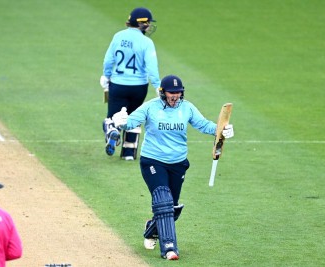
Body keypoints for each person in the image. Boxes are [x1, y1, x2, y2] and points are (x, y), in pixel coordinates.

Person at [111, 75, 234, 260]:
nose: (175, 96)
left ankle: (151, 229)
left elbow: (203, 124)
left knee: (172, 208)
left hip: (178, 163)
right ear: (163, 92)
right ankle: (169, 248)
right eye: (171, 92)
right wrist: (121, 121)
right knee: (163, 200)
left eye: (178, 92)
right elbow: (132, 121)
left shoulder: (187, 108)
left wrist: (220, 130)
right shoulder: (151, 106)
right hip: (153, 160)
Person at [100, 7, 161, 161]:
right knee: (134, 117)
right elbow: (152, 67)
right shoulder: (147, 42)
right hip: (139, 87)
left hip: (118, 83)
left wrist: (106, 76)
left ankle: (112, 130)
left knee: (112, 117)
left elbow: (109, 60)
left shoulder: (118, 36)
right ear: (143, 24)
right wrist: (158, 85)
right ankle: (128, 154)